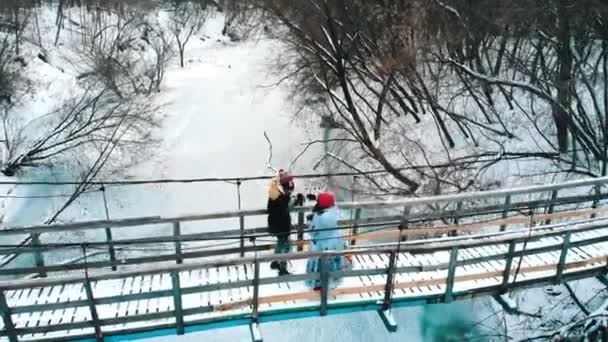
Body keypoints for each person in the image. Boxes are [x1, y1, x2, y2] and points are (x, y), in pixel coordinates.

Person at [267, 169, 304, 276]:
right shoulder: (280, 197)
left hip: (276, 224)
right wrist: (296, 200)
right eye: (288, 190)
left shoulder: (274, 193)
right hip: (282, 225)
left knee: (281, 243)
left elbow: (285, 205)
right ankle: (282, 268)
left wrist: (292, 199)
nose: (290, 192)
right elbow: (287, 207)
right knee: (287, 247)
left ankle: (275, 262)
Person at [305, 192, 345, 290]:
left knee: (320, 266)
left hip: (321, 244)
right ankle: (332, 282)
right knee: (332, 264)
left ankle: (319, 284)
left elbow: (312, 232)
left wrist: (310, 220)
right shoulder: (334, 212)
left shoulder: (320, 218)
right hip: (334, 242)